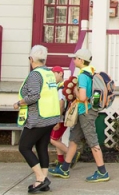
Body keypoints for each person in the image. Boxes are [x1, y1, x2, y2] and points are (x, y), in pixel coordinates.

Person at [49, 48, 110, 182]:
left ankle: (102, 172)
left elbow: (82, 97)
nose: (73, 60)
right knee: (73, 139)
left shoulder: (82, 76)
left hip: (85, 112)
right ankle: (65, 168)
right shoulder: (91, 72)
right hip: (85, 111)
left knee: (92, 141)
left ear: (81, 60)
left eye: (75, 58)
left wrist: (75, 91)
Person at [15, 45, 60, 193]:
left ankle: (41, 178)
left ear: (31, 59)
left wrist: (19, 103)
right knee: (42, 147)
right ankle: (43, 182)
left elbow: (34, 96)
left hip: (38, 118)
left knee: (24, 147)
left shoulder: (35, 74)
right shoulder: (49, 73)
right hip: (50, 117)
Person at [49, 66, 81, 168]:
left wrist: (57, 121)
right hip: (63, 117)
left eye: (54, 74)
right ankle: (60, 160)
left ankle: (72, 154)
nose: (52, 77)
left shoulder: (60, 88)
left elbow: (61, 104)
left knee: (53, 139)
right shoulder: (61, 86)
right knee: (57, 139)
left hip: (61, 118)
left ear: (60, 73)